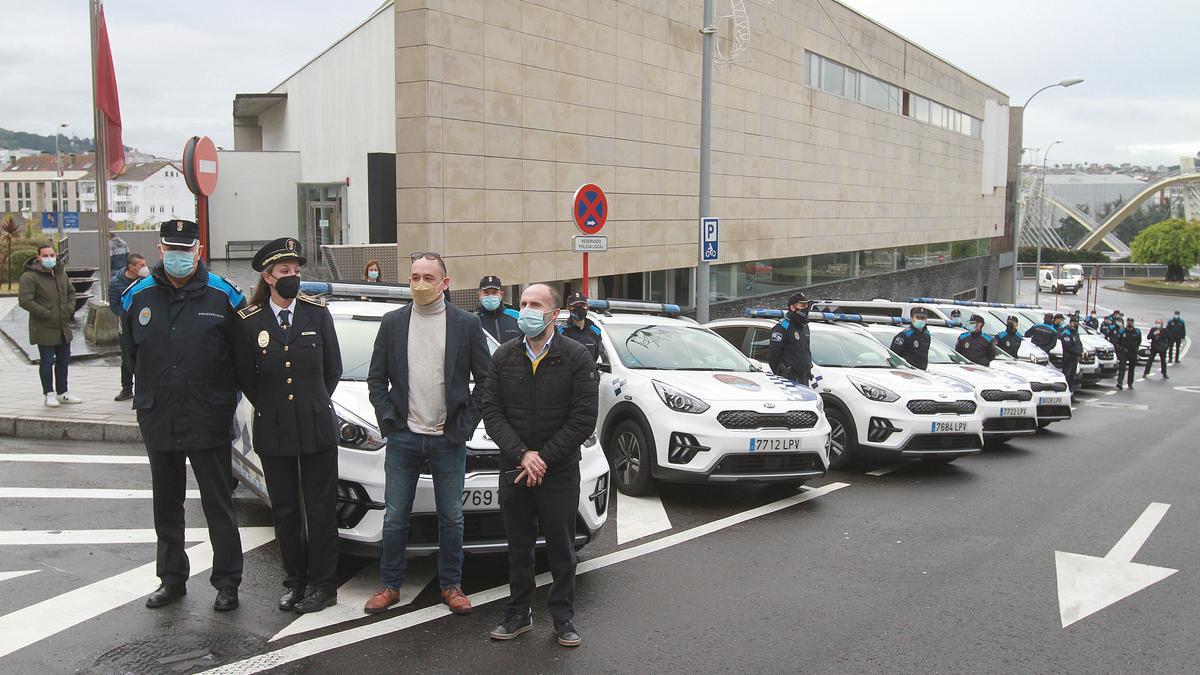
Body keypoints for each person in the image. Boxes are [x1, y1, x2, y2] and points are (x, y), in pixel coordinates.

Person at [120, 219, 245, 611]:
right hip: (159, 414)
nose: (177, 256)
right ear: (160, 250)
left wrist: (222, 398)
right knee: (166, 502)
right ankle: (171, 578)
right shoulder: (136, 296)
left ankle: (227, 582)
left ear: (198, 251)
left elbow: (241, 359)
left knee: (218, 503)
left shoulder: (223, 296)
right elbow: (132, 356)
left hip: (208, 415)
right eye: (171, 249)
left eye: (185, 250)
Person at [364, 252, 491, 616]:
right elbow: (377, 379)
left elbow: (485, 381)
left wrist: (464, 426)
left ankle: (451, 585)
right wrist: (389, 420)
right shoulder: (393, 323)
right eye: (414, 276)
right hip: (404, 436)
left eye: (427, 277)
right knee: (395, 516)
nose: (419, 283)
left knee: (451, 517)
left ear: (444, 283)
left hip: (448, 438)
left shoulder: (466, 324)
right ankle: (390, 585)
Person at [482, 283, 598, 647]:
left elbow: (583, 419)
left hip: (558, 470)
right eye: (523, 304)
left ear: (554, 313)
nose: (527, 310)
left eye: (535, 304)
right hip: (515, 467)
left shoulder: (577, 357)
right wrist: (522, 454)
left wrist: (543, 457)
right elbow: (492, 413)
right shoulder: (503, 356)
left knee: (562, 549)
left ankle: (563, 617)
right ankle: (518, 613)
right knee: (518, 546)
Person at [234, 238, 343, 614]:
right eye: (285, 272)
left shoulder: (317, 314)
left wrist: (311, 404)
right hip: (274, 427)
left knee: (320, 508)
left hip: (316, 426)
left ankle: (324, 584)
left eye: (296, 271)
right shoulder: (248, 321)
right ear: (268, 277)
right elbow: (247, 377)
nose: (293, 277)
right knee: (285, 511)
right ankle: (295, 581)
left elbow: (332, 371)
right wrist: (277, 407)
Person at [18, 243, 81, 407]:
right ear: (38, 257)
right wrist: (46, 313)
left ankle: (63, 392)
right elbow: (25, 301)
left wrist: (68, 310)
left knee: (64, 360)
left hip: (63, 326)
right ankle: (49, 393)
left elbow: (72, 293)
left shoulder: (60, 273)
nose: (49, 258)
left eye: (52, 255)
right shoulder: (29, 277)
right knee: (47, 361)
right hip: (43, 326)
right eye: (45, 256)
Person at [108, 253, 148, 401]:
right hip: (125, 327)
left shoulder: (146, 281)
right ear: (131, 267)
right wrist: (128, 318)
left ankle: (144, 387)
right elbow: (114, 306)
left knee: (145, 356)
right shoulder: (116, 283)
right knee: (127, 357)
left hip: (145, 324)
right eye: (141, 265)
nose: (145, 268)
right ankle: (126, 388)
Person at [767, 292, 812, 386]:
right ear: (792, 307)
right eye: (802, 305)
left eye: (807, 305)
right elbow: (773, 355)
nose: (805, 308)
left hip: (803, 378)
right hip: (788, 379)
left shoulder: (804, 327)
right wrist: (781, 373)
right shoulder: (783, 327)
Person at [476, 275, 522, 343]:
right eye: (486, 293)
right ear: (479, 295)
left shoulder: (516, 316)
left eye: (494, 292)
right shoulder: (473, 320)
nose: (490, 296)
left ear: (501, 294)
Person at [558, 291, 602, 361]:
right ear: (568, 308)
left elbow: (595, 357)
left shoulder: (596, 331)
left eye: (582, 306)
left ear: (587, 307)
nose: (579, 309)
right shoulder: (560, 331)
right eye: (575, 306)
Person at [1060, 315, 1084, 395]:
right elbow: (1068, 346)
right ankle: (1065, 394)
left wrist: (1081, 352)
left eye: (1077, 323)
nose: (1076, 324)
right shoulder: (1066, 332)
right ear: (1071, 323)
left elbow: (1079, 343)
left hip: (1074, 358)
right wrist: (1079, 353)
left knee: (1072, 378)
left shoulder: (1075, 332)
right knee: (1067, 377)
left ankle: (1071, 394)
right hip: (1068, 358)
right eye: (1074, 323)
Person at [1116, 318, 1141, 390]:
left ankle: (1130, 383)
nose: (1130, 323)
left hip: (1133, 352)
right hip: (1124, 352)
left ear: (1133, 323)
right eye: (1128, 322)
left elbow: (1139, 341)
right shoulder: (1122, 331)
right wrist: (1121, 348)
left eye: (1131, 322)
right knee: (1122, 367)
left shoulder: (1137, 331)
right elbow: (1118, 341)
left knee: (1131, 369)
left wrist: (1135, 348)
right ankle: (1119, 383)